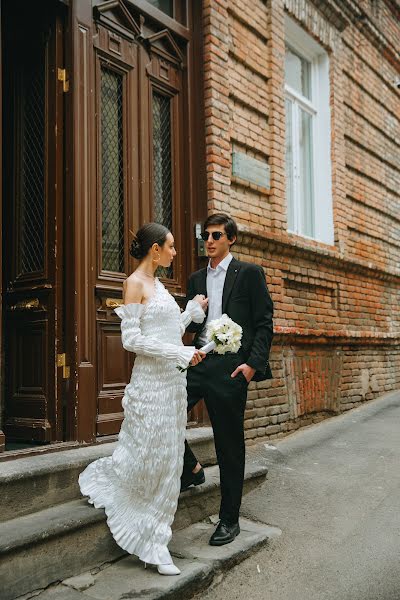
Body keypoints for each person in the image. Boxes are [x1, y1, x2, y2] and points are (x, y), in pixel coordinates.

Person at [79, 223, 207, 576]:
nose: (175, 252)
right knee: (151, 455)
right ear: (154, 250)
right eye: (171, 246)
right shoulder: (133, 284)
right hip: (150, 387)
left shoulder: (160, 285)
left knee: (168, 457)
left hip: (172, 385)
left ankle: (158, 531)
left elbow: (164, 331)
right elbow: (131, 340)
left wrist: (190, 314)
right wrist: (179, 352)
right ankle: (151, 540)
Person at [181, 213, 274, 546]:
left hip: (231, 367)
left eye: (216, 235)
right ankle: (190, 469)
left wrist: (252, 365)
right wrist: (194, 309)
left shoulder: (248, 273)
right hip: (198, 361)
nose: (209, 241)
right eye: (205, 235)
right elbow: (193, 327)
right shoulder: (195, 278)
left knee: (228, 444)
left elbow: (264, 322)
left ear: (231, 239)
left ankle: (229, 520)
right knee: (165, 413)